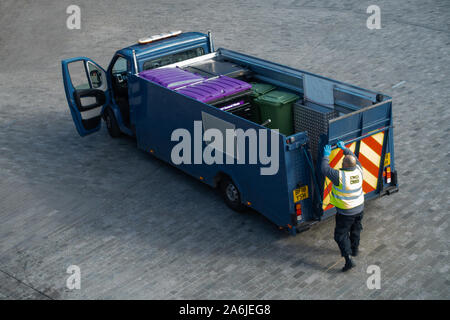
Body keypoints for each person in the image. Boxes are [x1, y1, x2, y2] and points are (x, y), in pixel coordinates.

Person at [322, 141, 364, 272]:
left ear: (344, 165)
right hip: (360, 208)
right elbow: (354, 158)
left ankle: (348, 259)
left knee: (340, 235)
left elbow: (324, 169)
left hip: (346, 212)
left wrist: (325, 156)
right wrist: (344, 149)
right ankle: (355, 249)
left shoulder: (340, 176)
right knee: (356, 229)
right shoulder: (359, 169)